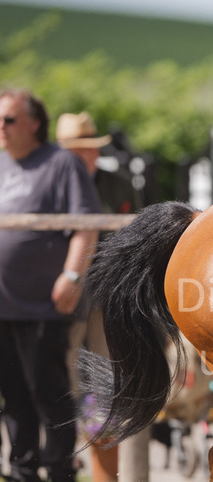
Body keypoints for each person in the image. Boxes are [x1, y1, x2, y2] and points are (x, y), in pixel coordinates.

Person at [0, 89, 101, 482]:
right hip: (3, 305)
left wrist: (71, 277)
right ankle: (21, 470)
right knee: (13, 396)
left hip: (44, 303)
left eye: (8, 119)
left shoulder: (61, 164)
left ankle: (59, 470)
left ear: (33, 123)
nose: (2, 128)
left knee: (48, 393)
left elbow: (86, 227)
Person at [55, 111, 142, 481]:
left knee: (105, 370)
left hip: (107, 292)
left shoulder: (117, 183)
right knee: (63, 367)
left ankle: (101, 459)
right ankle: (66, 448)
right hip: (63, 292)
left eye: (90, 149)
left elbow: (133, 235)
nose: (85, 156)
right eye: (77, 149)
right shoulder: (52, 182)